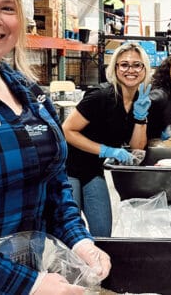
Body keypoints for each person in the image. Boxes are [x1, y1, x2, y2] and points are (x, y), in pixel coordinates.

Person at [0, 0, 110, 294]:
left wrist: (78, 240)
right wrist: (29, 285)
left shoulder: (28, 92)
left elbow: (53, 183)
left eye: (7, 8)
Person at [62, 42, 152, 237]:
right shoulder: (100, 96)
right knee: (71, 233)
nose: (131, 70)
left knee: (103, 234)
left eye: (137, 65)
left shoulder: (140, 100)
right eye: (124, 65)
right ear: (115, 68)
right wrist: (107, 150)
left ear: (145, 69)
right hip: (68, 168)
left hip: (93, 170)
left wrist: (141, 117)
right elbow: (67, 131)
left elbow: (137, 147)